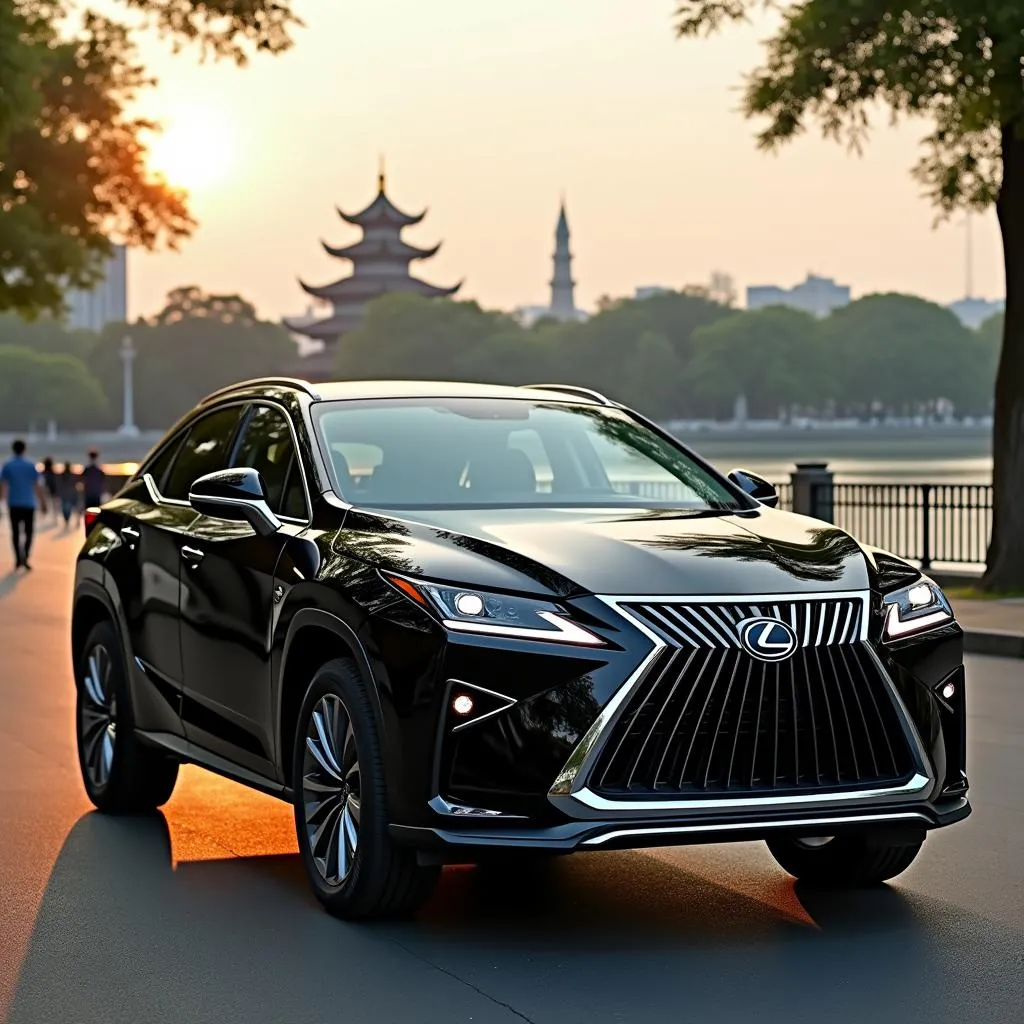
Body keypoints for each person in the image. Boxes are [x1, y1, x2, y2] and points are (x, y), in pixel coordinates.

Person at [0, 439, 49, 570]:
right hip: (29, 503)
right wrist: (43, 503)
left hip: (13, 503)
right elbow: (37, 486)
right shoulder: (31, 465)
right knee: (29, 532)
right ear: (24, 449)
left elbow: (3, 486)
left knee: (15, 532)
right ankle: (25, 557)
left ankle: (18, 558)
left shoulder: (8, 465)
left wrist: (1, 502)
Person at [57, 462, 80, 528]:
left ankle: (67, 522)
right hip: (72, 494)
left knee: (65, 510)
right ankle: (76, 521)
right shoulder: (72, 475)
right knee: (74, 509)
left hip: (65, 495)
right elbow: (77, 483)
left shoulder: (62, 475)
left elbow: (59, 485)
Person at [42, 457, 58, 521]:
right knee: (54, 506)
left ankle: (44, 517)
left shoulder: (43, 473)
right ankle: (55, 518)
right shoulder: (53, 473)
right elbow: (55, 482)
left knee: (46, 504)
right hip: (52, 490)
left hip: (45, 490)